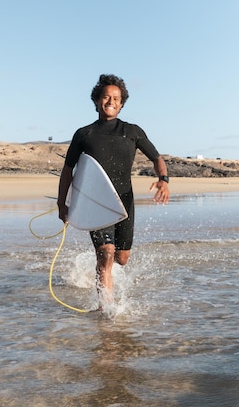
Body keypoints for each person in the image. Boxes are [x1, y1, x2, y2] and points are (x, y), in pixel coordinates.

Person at [57, 74, 169, 304]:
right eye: (106, 97)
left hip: (124, 202)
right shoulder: (84, 134)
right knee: (106, 253)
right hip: (95, 202)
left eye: (116, 98)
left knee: (122, 258)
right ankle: (105, 308)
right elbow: (68, 170)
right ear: (97, 100)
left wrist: (164, 179)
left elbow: (156, 157)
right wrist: (62, 203)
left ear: (122, 103)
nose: (111, 101)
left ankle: (99, 272)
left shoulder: (132, 131)